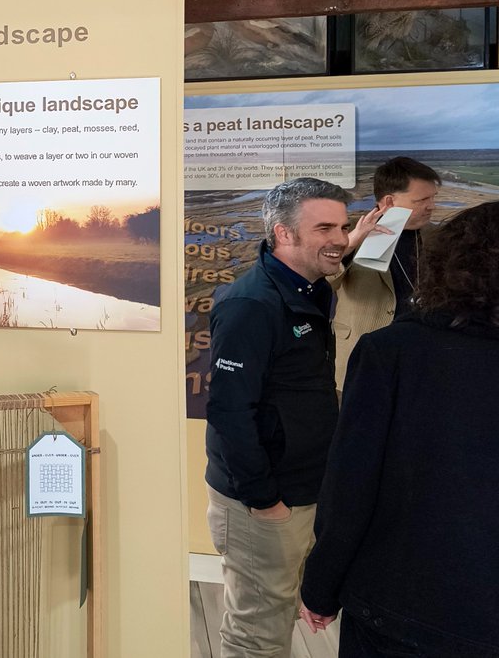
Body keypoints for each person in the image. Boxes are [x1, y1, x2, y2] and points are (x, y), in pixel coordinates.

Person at [300, 201, 499, 657]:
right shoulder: (376, 251)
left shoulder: (395, 353)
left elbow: (352, 483)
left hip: (401, 604)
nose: (428, 204)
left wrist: (321, 584)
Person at [205, 177, 351, 657]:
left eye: (344, 228)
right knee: (257, 637)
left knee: (278, 613)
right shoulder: (252, 304)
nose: (340, 240)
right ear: (283, 233)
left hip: (303, 488)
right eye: (325, 228)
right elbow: (229, 412)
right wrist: (265, 501)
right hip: (264, 502)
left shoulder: (310, 289)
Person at [330, 157, 441, 389]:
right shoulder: (345, 232)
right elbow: (322, 283)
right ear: (389, 201)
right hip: (363, 350)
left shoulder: (437, 236)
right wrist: (348, 246)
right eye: (422, 199)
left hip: (421, 352)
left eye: (433, 198)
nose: (432, 206)